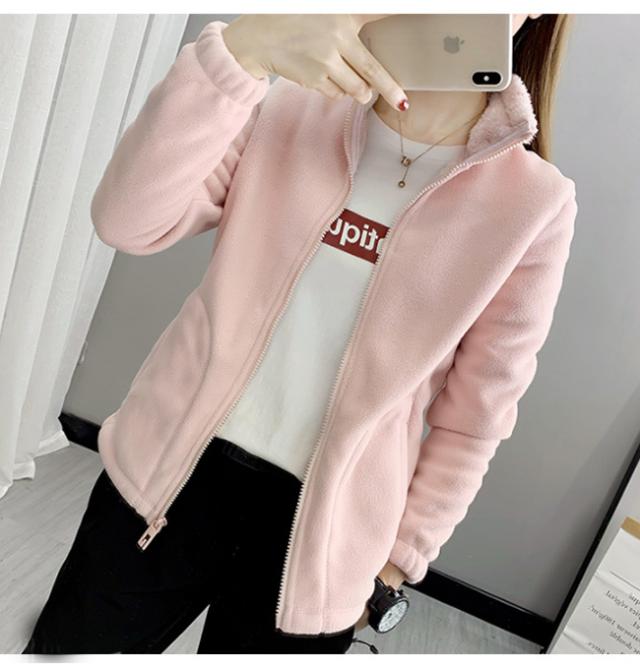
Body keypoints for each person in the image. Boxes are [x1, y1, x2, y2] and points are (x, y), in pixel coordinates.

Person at [23, 13, 577, 654]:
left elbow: (476, 417)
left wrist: (398, 560)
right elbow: (127, 221)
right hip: (163, 474)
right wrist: (239, 53)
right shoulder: (289, 106)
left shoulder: (533, 204)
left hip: (325, 538)